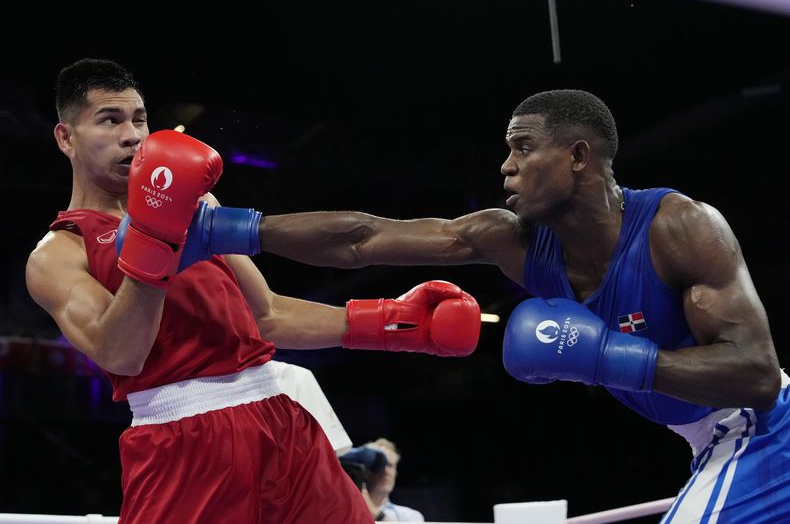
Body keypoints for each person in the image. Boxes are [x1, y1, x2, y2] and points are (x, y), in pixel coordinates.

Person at [191, 89, 790, 522]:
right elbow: (365, 238)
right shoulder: (514, 241)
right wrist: (233, 229)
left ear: (578, 157)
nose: (506, 166)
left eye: (523, 148)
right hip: (706, 440)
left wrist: (610, 357)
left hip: (763, 430)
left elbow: (758, 376)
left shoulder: (678, 226)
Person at [24, 58, 482, 524]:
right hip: (184, 441)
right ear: (66, 138)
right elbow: (120, 355)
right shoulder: (59, 255)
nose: (133, 136)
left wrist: (391, 323)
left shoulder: (196, 206)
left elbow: (267, 315)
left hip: (280, 419)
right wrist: (152, 245)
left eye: (139, 119)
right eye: (109, 120)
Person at [361, 438, 425, 522]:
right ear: (364, 470)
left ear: (396, 472)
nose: (385, 471)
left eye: (390, 465)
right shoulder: (346, 510)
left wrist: (376, 514)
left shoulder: (410, 516)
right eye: (380, 464)